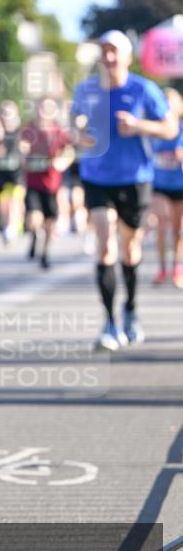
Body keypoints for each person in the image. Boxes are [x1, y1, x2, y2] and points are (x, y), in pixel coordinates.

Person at [72, 30, 176, 350]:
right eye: (104, 51)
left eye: (115, 51)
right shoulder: (87, 89)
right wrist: (79, 136)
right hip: (96, 177)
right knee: (105, 244)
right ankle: (108, 321)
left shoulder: (144, 90)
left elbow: (169, 128)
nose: (109, 57)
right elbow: (73, 125)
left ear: (128, 56)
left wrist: (138, 126)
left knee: (130, 250)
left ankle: (130, 309)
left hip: (135, 178)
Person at [20, 97, 74, 269]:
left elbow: (69, 151)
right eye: (42, 107)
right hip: (33, 183)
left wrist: (62, 162)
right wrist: (24, 154)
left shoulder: (59, 131)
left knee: (50, 221)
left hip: (51, 184)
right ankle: (35, 235)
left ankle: (45, 252)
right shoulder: (30, 129)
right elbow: (22, 146)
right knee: (34, 218)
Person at [150, 87, 183, 288]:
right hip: (159, 185)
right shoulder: (155, 131)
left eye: (171, 104)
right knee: (161, 222)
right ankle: (162, 267)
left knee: (178, 230)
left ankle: (177, 268)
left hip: (180, 184)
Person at [0, 99, 25, 245]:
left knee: (14, 202)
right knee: (2, 205)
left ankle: (12, 227)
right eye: (4, 113)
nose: (6, 117)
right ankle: (8, 226)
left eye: (9, 114)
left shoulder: (21, 133)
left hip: (16, 174)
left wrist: (24, 151)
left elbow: (29, 149)